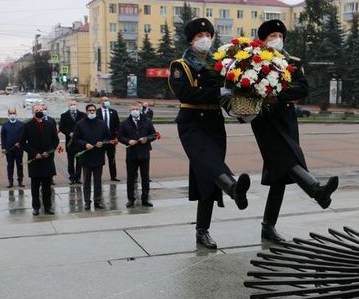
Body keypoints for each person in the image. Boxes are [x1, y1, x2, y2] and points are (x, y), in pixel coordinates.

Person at [251, 19, 339, 245]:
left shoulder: (293, 61)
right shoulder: (254, 62)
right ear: (264, 40)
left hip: (287, 119)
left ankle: (267, 227)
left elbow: (303, 88)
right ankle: (316, 190)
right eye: (272, 36)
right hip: (265, 120)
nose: (277, 40)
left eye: (280, 36)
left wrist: (276, 93)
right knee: (288, 159)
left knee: (278, 176)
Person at [169, 17, 250, 250]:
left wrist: (239, 111)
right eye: (198, 37)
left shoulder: (221, 65)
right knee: (209, 161)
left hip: (214, 122)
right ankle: (234, 189)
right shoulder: (180, 66)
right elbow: (187, 94)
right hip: (191, 123)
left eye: (207, 36)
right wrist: (219, 91)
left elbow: (224, 97)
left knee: (207, 176)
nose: (204, 39)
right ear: (191, 41)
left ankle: (202, 231)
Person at [20, 105, 59, 215]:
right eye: (37, 110)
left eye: (41, 110)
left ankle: (48, 207)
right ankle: (36, 207)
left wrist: (49, 151)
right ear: (33, 112)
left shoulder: (50, 124)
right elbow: (23, 143)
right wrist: (34, 153)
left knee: (47, 186)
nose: (39, 112)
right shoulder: (27, 125)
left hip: (47, 159)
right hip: (35, 160)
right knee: (35, 186)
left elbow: (55, 141)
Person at [118, 102, 157, 207]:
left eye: (137, 109)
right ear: (129, 111)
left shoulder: (147, 121)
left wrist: (147, 139)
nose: (135, 111)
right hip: (131, 154)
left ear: (140, 110)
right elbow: (120, 137)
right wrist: (128, 141)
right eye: (133, 109)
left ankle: (145, 199)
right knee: (130, 178)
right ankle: (131, 199)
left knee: (145, 177)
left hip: (144, 153)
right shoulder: (125, 123)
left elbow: (154, 135)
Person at [74, 104, 110, 210]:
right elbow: (76, 139)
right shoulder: (80, 124)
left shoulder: (102, 124)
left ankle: (97, 201)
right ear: (86, 111)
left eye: (93, 110)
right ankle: (87, 202)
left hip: (98, 156)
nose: (92, 112)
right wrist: (85, 144)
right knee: (87, 181)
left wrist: (102, 142)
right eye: (90, 110)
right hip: (86, 157)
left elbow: (108, 137)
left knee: (98, 181)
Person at [59, 100, 86, 185]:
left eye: (74, 104)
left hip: (79, 143)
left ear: (77, 105)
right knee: (70, 162)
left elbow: (85, 126)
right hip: (70, 143)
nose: (73, 106)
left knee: (79, 162)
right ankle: (72, 177)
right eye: (71, 105)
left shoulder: (82, 115)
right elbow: (61, 127)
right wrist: (69, 133)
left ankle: (78, 177)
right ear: (68, 106)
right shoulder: (64, 115)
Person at [0, 107, 24, 188]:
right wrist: (3, 148)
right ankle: (10, 181)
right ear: (8, 114)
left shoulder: (21, 124)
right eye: (11, 113)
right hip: (8, 150)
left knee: (19, 165)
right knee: (10, 166)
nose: (12, 115)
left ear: (16, 114)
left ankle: (20, 180)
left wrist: (20, 143)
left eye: (14, 113)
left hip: (19, 149)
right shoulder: (5, 125)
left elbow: (23, 136)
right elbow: (3, 137)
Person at [98, 96, 120, 181]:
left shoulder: (113, 112)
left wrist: (117, 137)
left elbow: (117, 126)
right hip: (100, 140)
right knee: (99, 159)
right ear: (101, 101)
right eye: (104, 100)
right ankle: (98, 176)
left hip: (111, 140)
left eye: (107, 100)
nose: (106, 102)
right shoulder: (97, 112)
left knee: (112, 158)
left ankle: (113, 176)